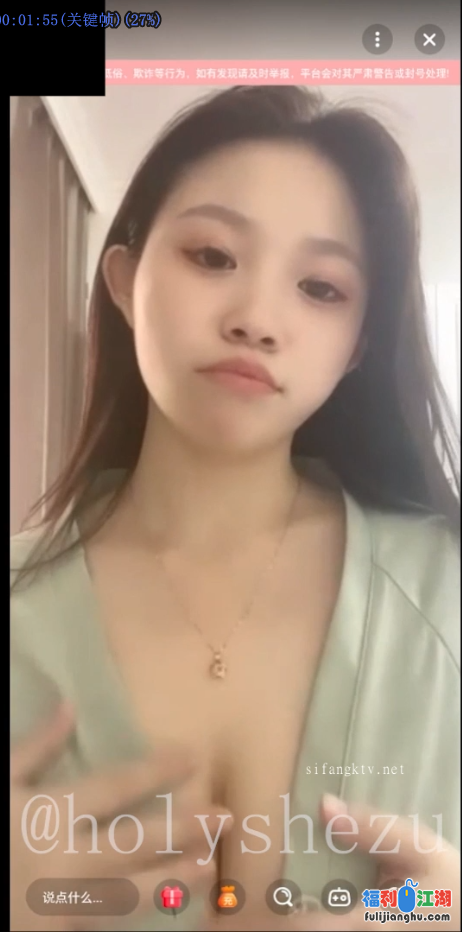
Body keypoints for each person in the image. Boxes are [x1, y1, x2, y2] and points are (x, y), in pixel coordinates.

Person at [11, 85, 460, 932]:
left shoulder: (445, 592)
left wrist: (443, 905)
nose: (257, 319)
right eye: (213, 256)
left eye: (320, 287)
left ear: (358, 346)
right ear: (123, 280)